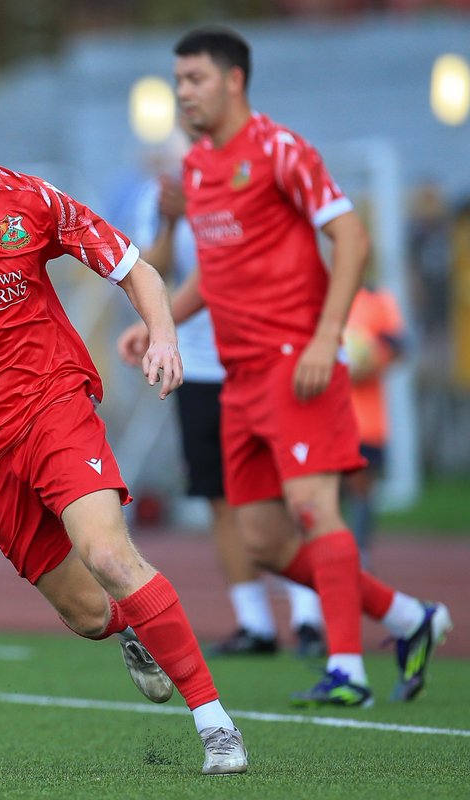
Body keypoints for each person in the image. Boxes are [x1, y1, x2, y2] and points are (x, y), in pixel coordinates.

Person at [0, 70, 247, 776]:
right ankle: (134, 629)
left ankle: (216, 726)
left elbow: (136, 269)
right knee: (88, 614)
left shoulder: (30, 201)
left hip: (52, 405)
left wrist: (163, 335)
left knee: (111, 556)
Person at [120, 26, 449, 706]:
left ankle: (348, 672)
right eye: (178, 81)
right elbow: (215, 273)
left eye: (195, 79)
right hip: (237, 376)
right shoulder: (198, 168)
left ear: (234, 80)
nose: (184, 93)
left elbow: (351, 237)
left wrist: (326, 339)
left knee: (313, 508)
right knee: (264, 542)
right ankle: (406, 617)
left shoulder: (281, 150)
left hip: (297, 363)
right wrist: (158, 324)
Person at [125, 133, 326, 658]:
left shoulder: (250, 182)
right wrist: (173, 221)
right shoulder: (160, 197)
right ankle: (254, 621)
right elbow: (151, 274)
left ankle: (310, 613)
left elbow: (247, 266)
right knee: (219, 495)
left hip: (262, 358)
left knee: (288, 489)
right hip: (200, 365)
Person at [342, 285, 405, 566]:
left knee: (362, 489)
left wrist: (370, 359)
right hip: (326, 417)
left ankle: (359, 554)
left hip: (367, 420)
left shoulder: (379, 301)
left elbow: (399, 347)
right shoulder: (317, 293)